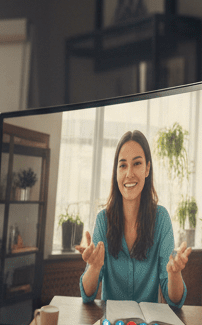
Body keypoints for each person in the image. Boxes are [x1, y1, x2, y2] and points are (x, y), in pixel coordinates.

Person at [77, 129, 190, 306]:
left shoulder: (161, 219)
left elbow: (174, 301)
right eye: (123, 165)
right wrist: (94, 266)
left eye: (137, 163)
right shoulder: (102, 220)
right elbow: (87, 295)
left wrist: (174, 274)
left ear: (147, 168)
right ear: (116, 172)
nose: (129, 173)